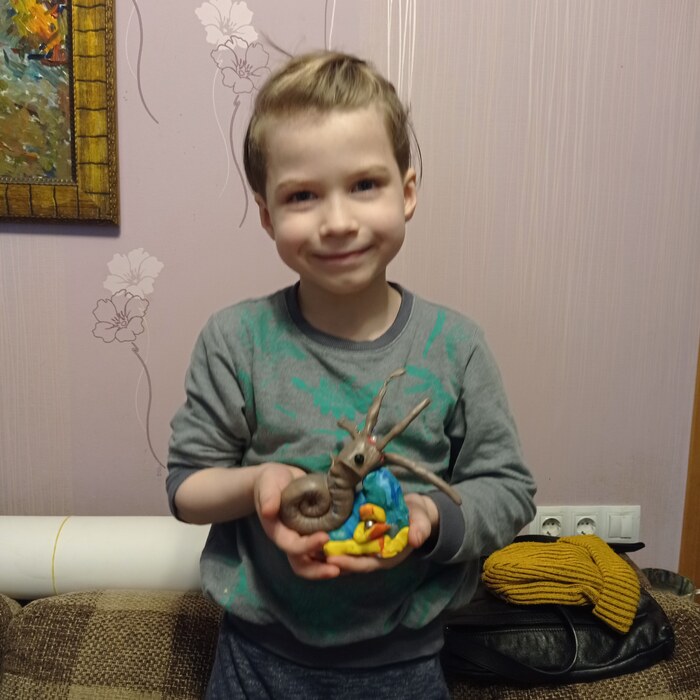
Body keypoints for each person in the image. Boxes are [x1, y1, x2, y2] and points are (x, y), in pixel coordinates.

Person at [166, 50, 536, 699]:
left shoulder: (457, 348)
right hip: (256, 661)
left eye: (365, 184)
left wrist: (427, 517)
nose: (338, 222)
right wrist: (260, 484)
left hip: (405, 665)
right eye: (302, 195)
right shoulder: (234, 341)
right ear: (267, 215)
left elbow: (508, 490)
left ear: (407, 191)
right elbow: (185, 486)